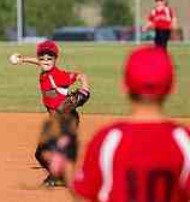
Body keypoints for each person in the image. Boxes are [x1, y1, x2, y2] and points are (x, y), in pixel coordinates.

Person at [72, 46, 190, 201]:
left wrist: (65, 167)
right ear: (172, 87)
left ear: (124, 86)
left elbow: (86, 191)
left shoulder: (109, 139)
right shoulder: (183, 140)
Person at [9, 40, 90, 116]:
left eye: (49, 59)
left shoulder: (58, 76)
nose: (45, 61)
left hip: (63, 116)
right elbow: (41, 62)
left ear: (55, 59)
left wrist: (85, 88)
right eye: (42, 59)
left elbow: (82, 76)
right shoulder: (46, 68)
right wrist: (23, 59)